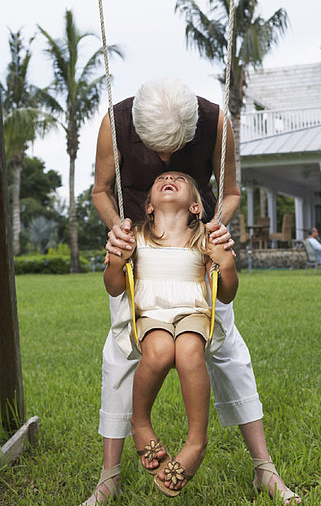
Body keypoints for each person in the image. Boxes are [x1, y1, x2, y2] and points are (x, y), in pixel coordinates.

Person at [83, 78, 301, 505]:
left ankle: (264, 467)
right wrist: (119, 233)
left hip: (199, 266)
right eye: (156, 153)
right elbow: (101, 190)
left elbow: (232, 192)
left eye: (175, 151)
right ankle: (109, 474)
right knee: (120, 354)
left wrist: (215, 231)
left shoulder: (216, 122)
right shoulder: (116, 123)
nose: (166, 160)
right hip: (136, 258)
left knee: (229, 352)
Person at [104, 172, 238, 497]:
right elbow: (113, 286)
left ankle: (197, 441)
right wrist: (116, 262)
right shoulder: (133, 236)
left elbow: (226, 294)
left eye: (178, 179)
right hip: (149, 316)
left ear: (195, 206)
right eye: (163, 178)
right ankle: (140, 422)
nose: (169, 178)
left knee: (190, 352)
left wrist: (227, 266)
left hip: (193, 312)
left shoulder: (206, 239)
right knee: (160, 351)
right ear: (148, 206)